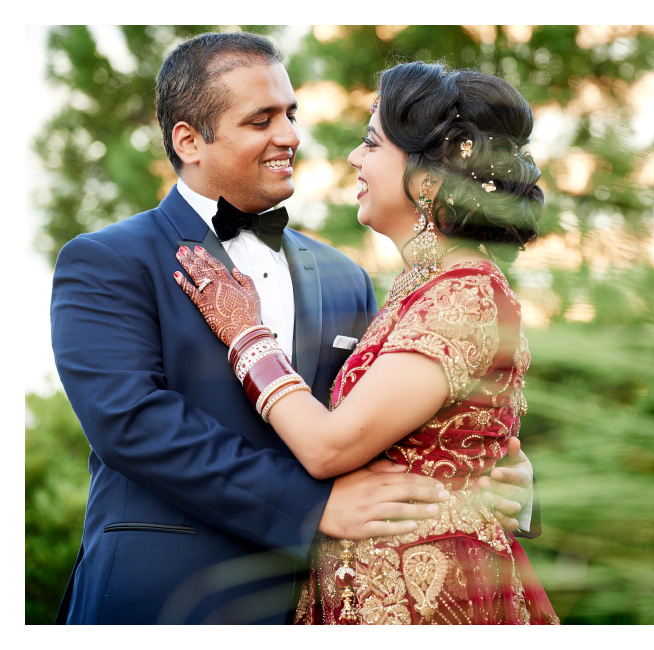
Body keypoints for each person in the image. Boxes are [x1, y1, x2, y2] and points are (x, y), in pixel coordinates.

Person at [50, 32, 536, 625]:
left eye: (291, 114)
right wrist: (316, 505)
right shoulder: (109, 260)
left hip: (331, 603)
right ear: (189, 140)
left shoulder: (346, 278)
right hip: (164, 598)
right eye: (261, 120)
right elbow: (131, 424)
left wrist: (494, 475)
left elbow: (398, 417)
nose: (290, 136)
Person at [173, 60, 558, 625]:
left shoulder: (465, 297)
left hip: (432, 599)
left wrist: (246, 334)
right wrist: (505, 474)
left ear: (427, 179)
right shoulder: (417, 290)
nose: (353, 157)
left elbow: (330, 446)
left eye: (371, 144)